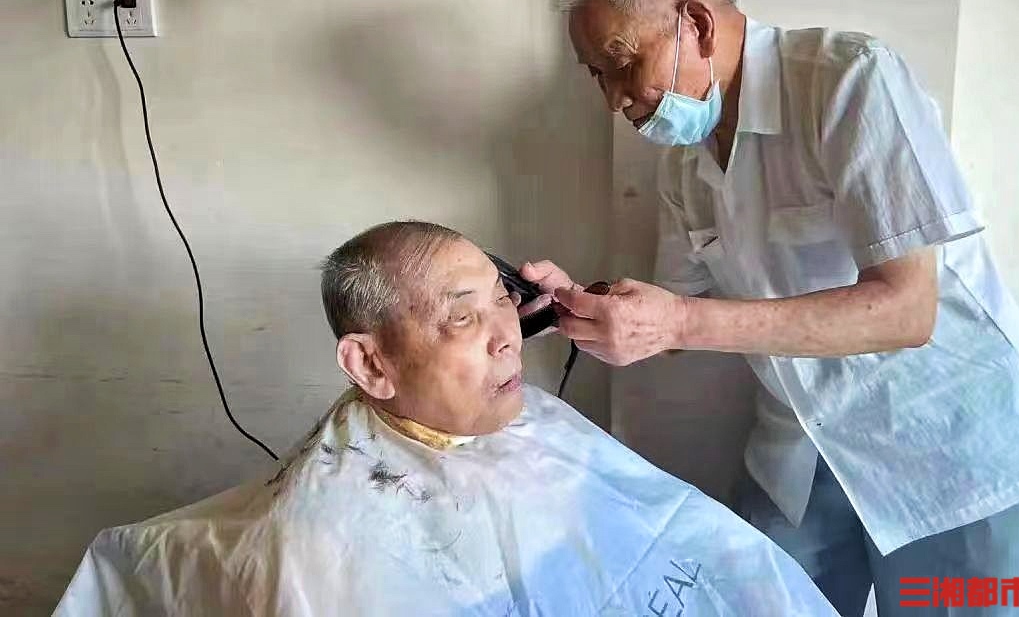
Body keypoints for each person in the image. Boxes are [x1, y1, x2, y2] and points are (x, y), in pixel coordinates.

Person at [521, 0, 1019, 617]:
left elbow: (908, 310)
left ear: (697, 24)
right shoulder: (686, 167)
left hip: (951, 458)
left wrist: (678, 320)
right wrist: (581, 304)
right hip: (804, 459)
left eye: (624, 63)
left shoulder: (850, 82)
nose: (615, 99)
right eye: (598, 76)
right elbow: (674, 315)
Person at [54, 221, 839, 616]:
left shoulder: (533, 427)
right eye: (463, 317)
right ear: (371, 365)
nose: (506, 335)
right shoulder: (324, 547)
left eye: (503, 300)